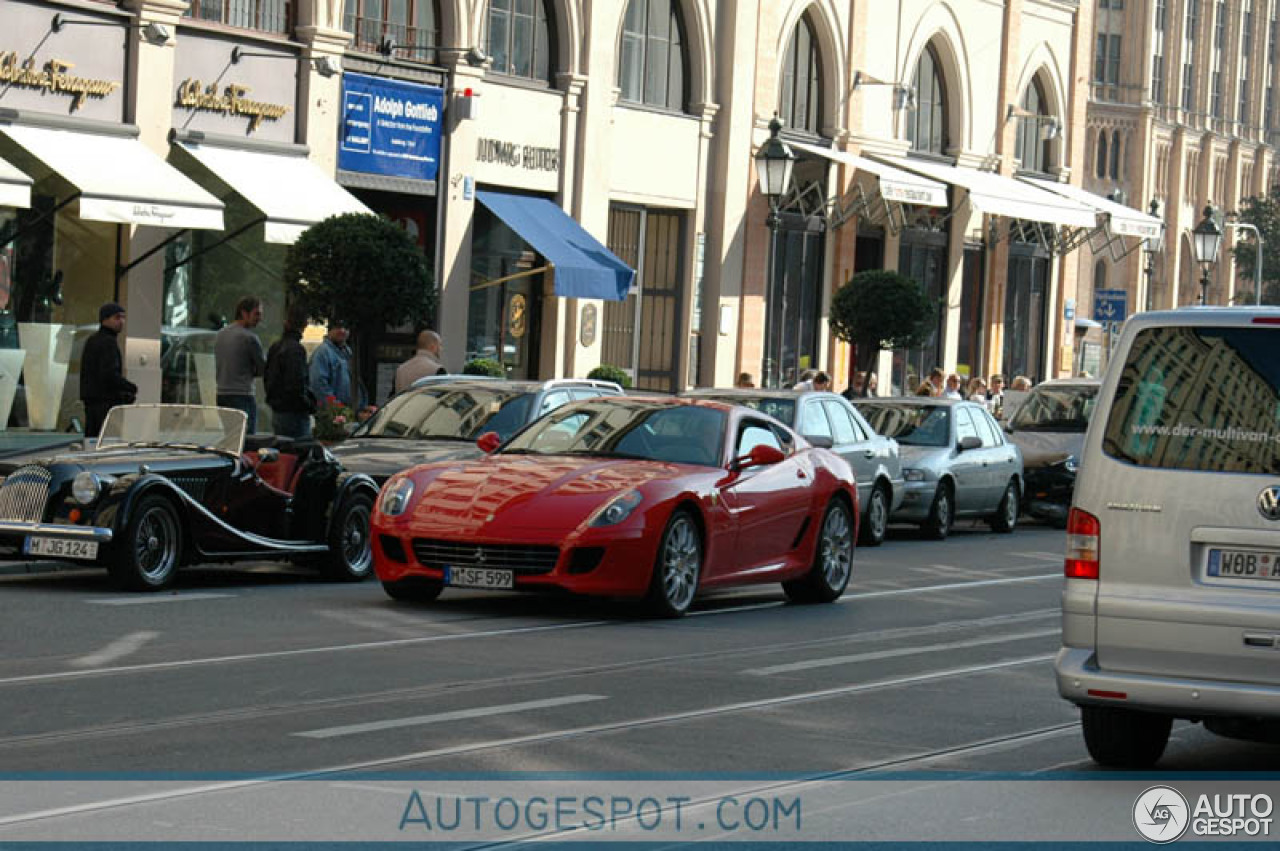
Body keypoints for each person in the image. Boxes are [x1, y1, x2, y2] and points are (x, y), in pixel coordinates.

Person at [80, 302, 138, 438]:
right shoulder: (108, 342)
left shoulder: (92, 340)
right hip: (105, 403)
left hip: (92, 401)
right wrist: (130, 387)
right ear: (105, 319)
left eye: (123, 318)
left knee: (92, 440)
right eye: (117, 318)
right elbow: (109, 374)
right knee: (106, 440)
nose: (121, 322)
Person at [214, 296, 266, 434]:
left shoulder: (220, 334)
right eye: (257, 314)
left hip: (221, 394)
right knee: (247, 440)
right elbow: (262, 369)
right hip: (242, 394)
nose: (259, 318)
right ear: (244, 313)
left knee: (231, 438)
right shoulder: (249, 338)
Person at [264, 306, 314, 439]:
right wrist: (308, 404)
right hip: (294, 412)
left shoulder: (276, 347)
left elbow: (267, 377)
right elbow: (296, 384)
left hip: (278, 409)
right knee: (298, 450)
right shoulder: (296, 350)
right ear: (304, 325)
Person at [310, 319, 365, 409]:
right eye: (338, 327)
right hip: (332, 414)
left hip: (347, 411)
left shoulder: (348, 352)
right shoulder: (323, 353)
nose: (342, 331)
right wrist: (335, 407)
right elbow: (318, 384)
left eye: (346, 328)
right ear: (330, 330)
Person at [394, 330, 446, 395]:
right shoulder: (438, 369)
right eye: (440, 345)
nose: (441, 349)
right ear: (433, 347)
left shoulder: (400, 369)